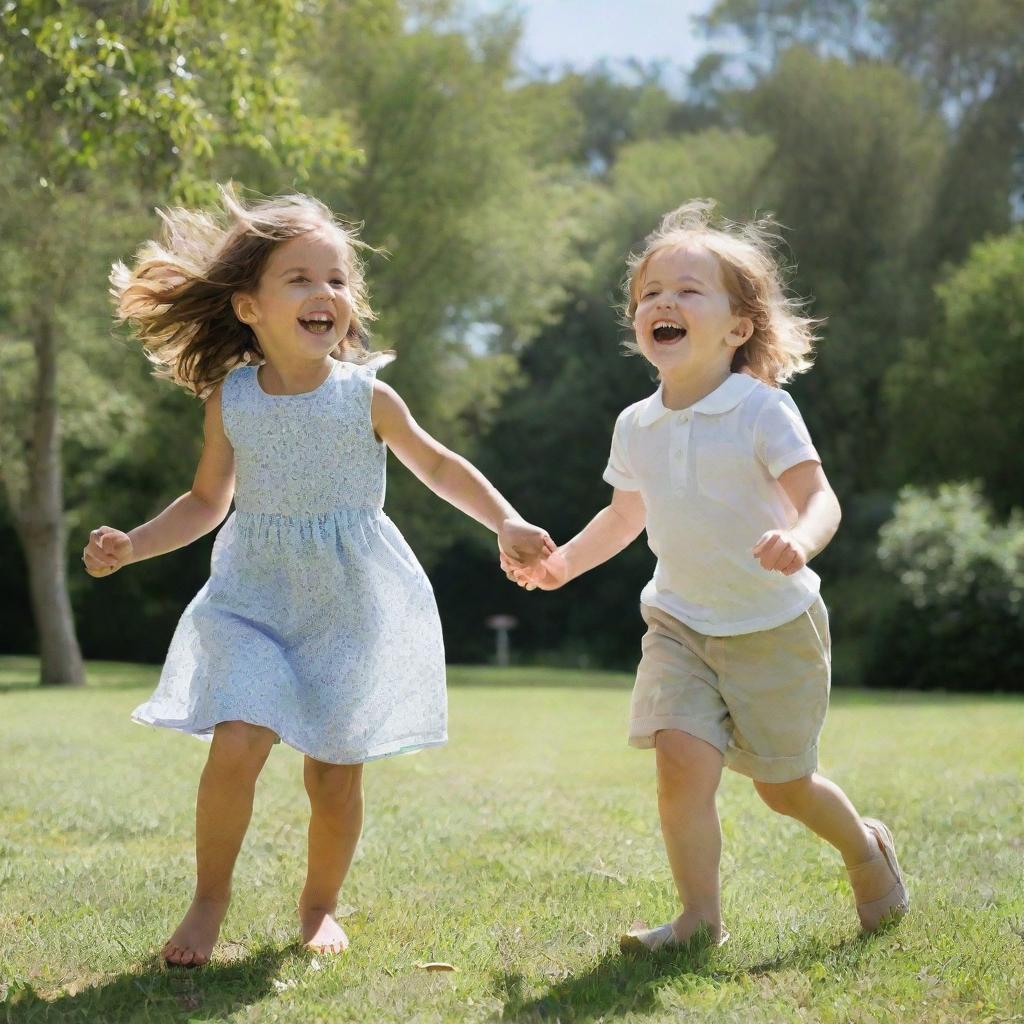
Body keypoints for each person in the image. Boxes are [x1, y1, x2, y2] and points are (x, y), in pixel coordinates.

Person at [83, 187, 552, 966]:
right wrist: (133, 544)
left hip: (348, 605)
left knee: (334, 779)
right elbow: (207, 501)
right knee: (238, 737)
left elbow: (436, 465)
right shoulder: (231, 399)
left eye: (336, 279)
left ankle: (319, 904)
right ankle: (208, 901)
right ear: (248, 307)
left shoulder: (367, 396)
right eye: (299, 278)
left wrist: (503, 518)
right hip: (253, 598)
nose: (324, 293)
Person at [502, 200, 908, 952]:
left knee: (783, 788)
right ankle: (699, 920)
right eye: (651, 292)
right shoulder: (636, 424)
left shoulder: (763, 409)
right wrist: (562, 566)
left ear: (738, 327)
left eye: (689, 290)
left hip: (774, 628)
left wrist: (799, 538)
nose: (664, 301)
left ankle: (864, 849)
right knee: (679, 762)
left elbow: (821, 499)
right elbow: (626, 516)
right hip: (680, 622)